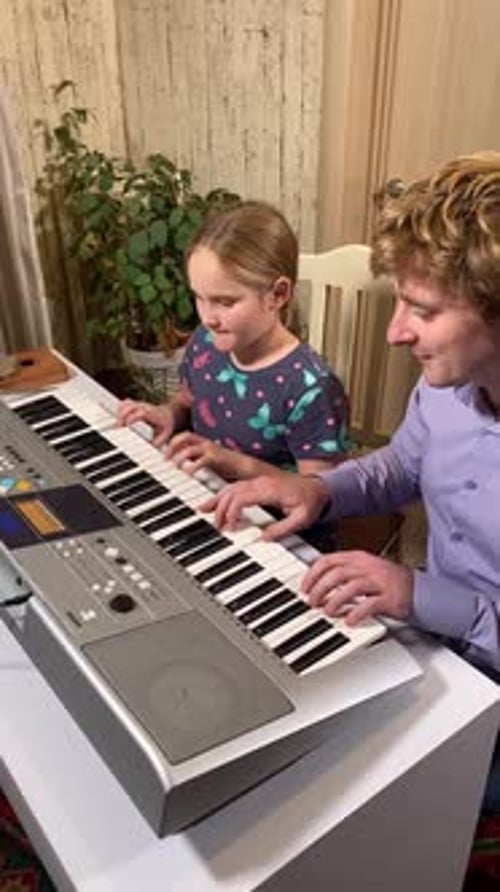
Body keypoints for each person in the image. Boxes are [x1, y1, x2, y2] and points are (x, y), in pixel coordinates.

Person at [207, 153, 500, 688]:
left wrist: (421, 596)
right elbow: (403, 466)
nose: (396, 334)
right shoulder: (447, 387)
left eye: (424, 311)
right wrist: (319, 491)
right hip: (439, 646)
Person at [118, 200, 349, 481]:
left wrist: (231, 463)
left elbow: (321, 495)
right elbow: (190, 397)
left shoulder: (312, 388)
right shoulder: (206, 341)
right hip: (203, 492)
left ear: (277, 295)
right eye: (199, 298)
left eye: (224, 302)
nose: (208, 318)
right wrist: (168, 413)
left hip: (269, 520)